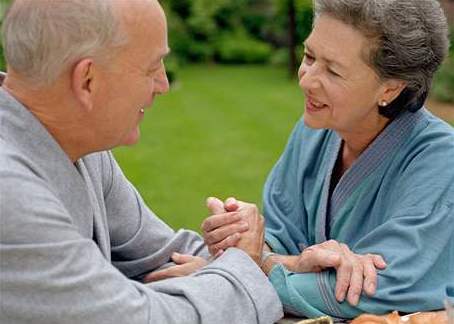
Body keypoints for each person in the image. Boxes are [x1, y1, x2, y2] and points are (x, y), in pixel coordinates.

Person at [0, 0, 283, 323]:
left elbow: (166, 256)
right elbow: (140, 318)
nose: (163, 85)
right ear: (87, 81)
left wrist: (272, 265)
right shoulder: (9, 193)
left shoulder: (79, 147)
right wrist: (242, 266)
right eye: (152, 68)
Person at [202, 0, 454, 320]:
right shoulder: (316, 130)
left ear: (390, 88)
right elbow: (276, 241)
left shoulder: (442, 164)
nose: (307, 80)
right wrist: (249, 243)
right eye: (309, 56)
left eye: (333, 70)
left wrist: (235, 276)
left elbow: (367, 293)